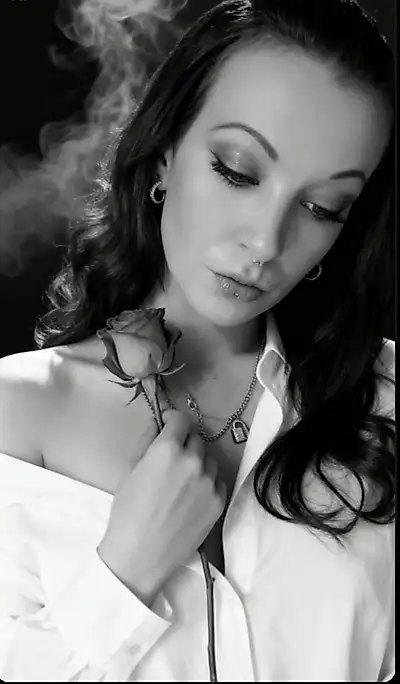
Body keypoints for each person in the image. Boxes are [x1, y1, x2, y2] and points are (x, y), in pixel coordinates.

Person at [0, 0, 395, 680]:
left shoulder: (385, 401)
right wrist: (125, 571)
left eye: (322, 207)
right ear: (165, 152)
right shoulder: (17, 412)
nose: (265, 242)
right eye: (238, 171)